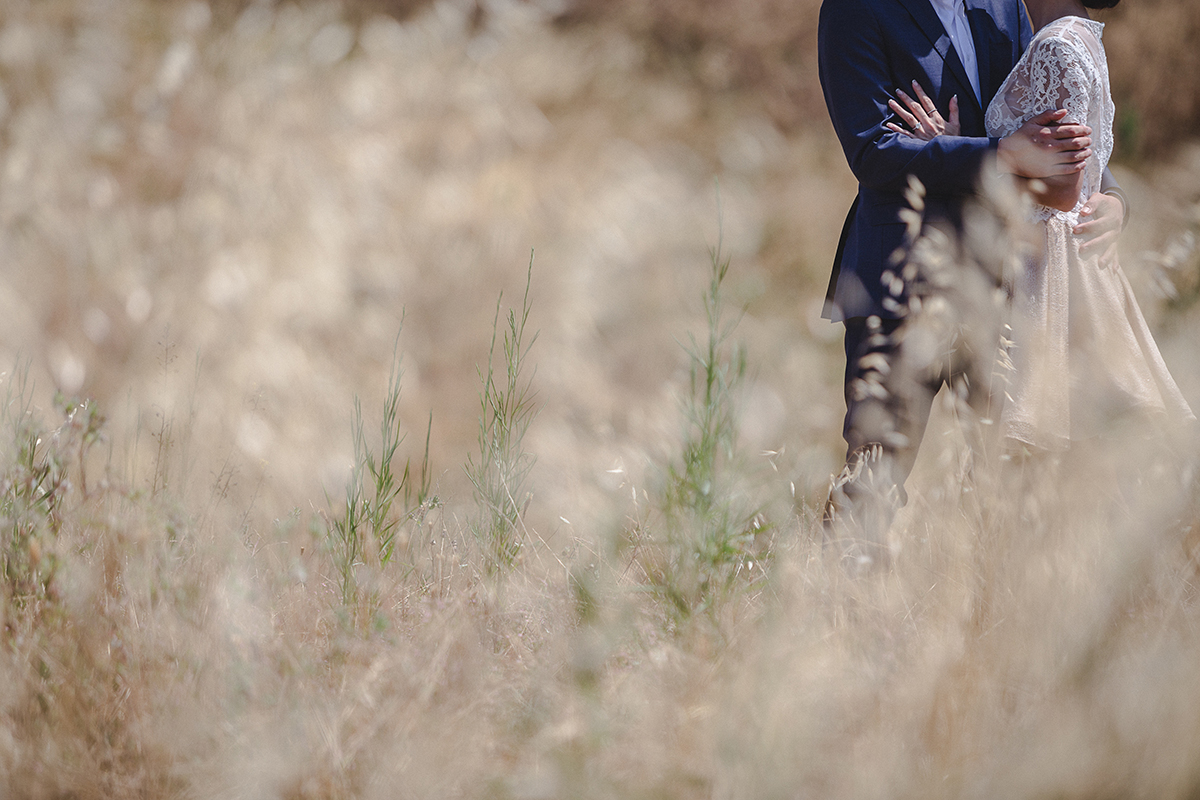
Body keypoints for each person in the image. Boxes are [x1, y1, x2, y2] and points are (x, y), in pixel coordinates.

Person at [816, 0, 1130, 559]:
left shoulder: (1004, 4)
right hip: (900, 278)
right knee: (875, 475)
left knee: (1006, 474)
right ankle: (838, 624)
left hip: (1003, 280)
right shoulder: (854, 9)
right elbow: (874, 151)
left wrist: (1110, 195)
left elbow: (1046, 107)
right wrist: (994, 151)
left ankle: (982, 628)